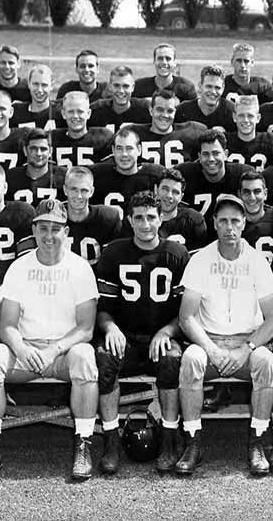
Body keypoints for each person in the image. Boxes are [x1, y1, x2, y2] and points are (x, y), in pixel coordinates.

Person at [0, 199, 99, 482]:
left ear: (66, 232)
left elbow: (86, 328)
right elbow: (7, 325)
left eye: (56, 229)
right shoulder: (19, 268)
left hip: (64, 351)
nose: (49, 236)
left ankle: (84, 445)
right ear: (34, 230)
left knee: (87, 360)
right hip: (26, 351)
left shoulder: (80, 268)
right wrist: (22, 349)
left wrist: (54, 350)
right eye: (43, 228)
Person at [175, 194, 273, 476]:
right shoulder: (200, 260)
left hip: (247, 342)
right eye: (223, 221)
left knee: (266, 362)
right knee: (191, 360)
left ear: (244, 223)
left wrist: (245, 349)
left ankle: (257, 441)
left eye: (235, 220)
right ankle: (192, 441)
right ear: (215, 223)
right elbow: (186, 317)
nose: (229, 227)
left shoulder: (258, 261)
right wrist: (212, 350)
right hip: (210, 341)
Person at [94, 192, 191, 474]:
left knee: (172, 359)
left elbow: (185, 312)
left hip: (162, 336)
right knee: (104, 358)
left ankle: (170, 439)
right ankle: (111, 440)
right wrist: (110, 328)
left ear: (161, 219)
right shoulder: (114, 253)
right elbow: (103, 308)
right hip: (125, 335)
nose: (145, 223)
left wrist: (167, 331)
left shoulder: (176, 254)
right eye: (139, 217)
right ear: (129, 220)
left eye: (151, 217)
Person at [175, 129, 254, 229]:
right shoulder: (185, 173)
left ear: (225, 154)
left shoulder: (241, 174)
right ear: (199, 156)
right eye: (206, 154)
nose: (211, 159)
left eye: (216, 153)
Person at [90, 127, 165, 220]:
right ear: (113, 150)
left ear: (139, 150)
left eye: (129, 148)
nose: (124, 154)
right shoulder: (98, 175)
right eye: (119, 148)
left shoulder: (154, 175)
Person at [128, 90, 207, 168]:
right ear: (151, 110)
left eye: (170, 111)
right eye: (160, 110)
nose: (165, 115)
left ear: (175, 112)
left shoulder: (193, 131)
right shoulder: (134, 133)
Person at [63, 166, 122, 266]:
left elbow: (113, 260)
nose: (79, 196)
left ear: (92, 191)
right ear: (65, 190)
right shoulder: (53, 217)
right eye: (74, 189)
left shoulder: (106, 218)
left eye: (84, 190)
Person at [49, 91, 114, 168]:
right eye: (70, 111)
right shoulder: (52, 138)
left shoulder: (103, 138)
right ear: (63, 114)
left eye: (80, 111)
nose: (75, 116)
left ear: (88, 113)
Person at [6, 128, 67, 208]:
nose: (39, 154)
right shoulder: (11, 177)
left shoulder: (63, 177)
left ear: (50, 151)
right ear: (25, 150)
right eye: (33, 149)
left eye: (43, 149)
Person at [225, 95, 273, 172]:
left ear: (258, 118)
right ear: (234, 117)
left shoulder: (271, 143)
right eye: (241, 115)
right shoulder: (225, 142)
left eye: (250, 116)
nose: (246, 120)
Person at [156, 168, 208, 254]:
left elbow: (198, 259)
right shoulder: (144, 218)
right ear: (156, 190)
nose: (169, 196)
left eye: (175, 192)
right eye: (165, 189)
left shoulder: (193, 220)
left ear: (181, 197)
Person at [88, 66, 151, 133]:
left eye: (125, 86)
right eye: (116, 85)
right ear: (109, 86)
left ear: (132, 87)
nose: (121, 91)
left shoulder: (146, 109)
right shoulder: (96, 109)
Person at [175, 65, 236, 133]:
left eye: (217, 88)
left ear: (223, 88)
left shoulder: (231, 111)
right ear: (200, 86)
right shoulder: (183, 110)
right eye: (209, 86)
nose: (213, 92)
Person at [132, 43, 197, 102]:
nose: (164, 62)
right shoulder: (139, 86)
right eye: (160, 58)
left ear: (174, 63)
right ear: (154, 61)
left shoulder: (186, 87)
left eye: (168, 59)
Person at [10, 64, 62, 131]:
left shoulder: (60, 112)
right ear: (28, 84)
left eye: (44, 85)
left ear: (51, 86)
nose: (39, 90)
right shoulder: (16, 112)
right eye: (35, 84)